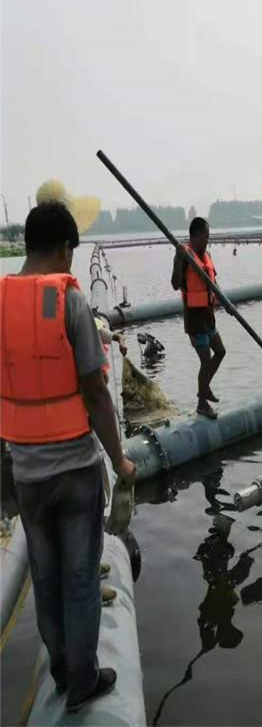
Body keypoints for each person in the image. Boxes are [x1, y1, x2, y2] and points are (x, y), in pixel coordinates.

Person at [0, 202, 136, 712]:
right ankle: (82, 681)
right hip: (75, 469)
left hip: (26, 473)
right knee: (81, 577)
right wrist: (119, 459)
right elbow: (97, 392)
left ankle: (59, 670)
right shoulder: (69, 301)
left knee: (47, 575)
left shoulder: (1, 300)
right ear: (63, 248)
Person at [171, 217, 226, 418]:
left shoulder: (206, 255)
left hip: (208, 315)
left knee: (220, 351)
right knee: (205, 360)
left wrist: (224, 301)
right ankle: (202, 403)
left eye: (208, 237)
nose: (207, 241)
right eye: (205, 237)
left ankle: (204, 387)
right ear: (194, 236)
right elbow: (175, 284)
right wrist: (178, 260)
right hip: (194, 318)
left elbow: (214, 282)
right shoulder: (185, 256)